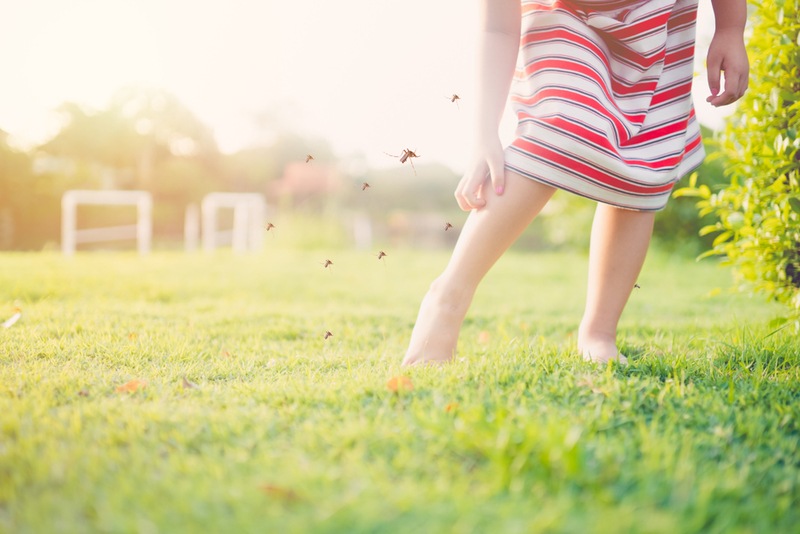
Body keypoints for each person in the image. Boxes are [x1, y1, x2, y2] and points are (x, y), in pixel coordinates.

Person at [402, 0, 749, 366]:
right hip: (565, 15)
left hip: (658, 24)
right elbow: (497, 28)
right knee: (555, 130)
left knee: (643, 165)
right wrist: (485, 131)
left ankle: (599, 331)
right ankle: (448, 298)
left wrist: (730, 27)